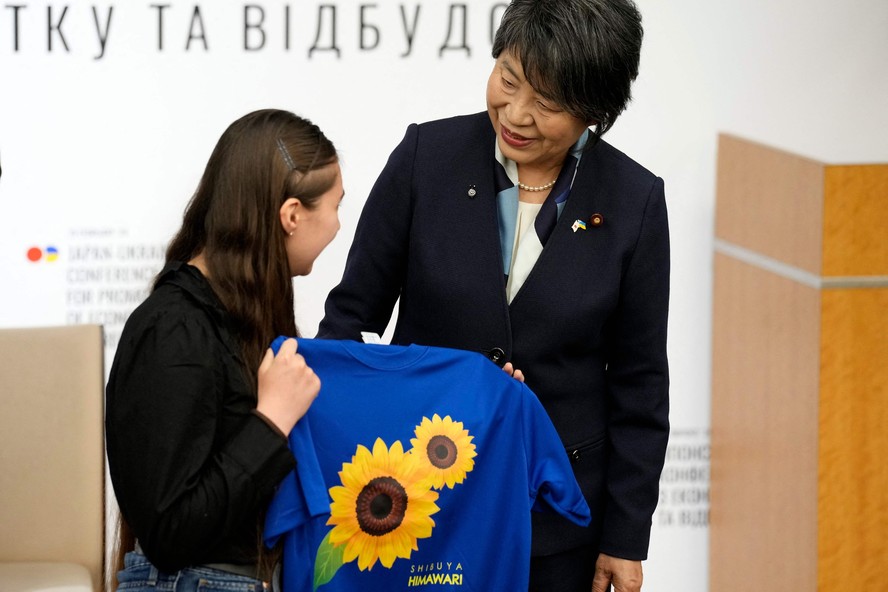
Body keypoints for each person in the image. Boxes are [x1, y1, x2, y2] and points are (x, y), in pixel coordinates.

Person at [317, 0, 669, 590]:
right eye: (508, 79)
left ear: (595, 112)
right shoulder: (426, 158)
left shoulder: (634, 201)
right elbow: (349, 320)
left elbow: (639, 383)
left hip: (556, 522)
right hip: (413, 502)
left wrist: (625, 538)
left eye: (549, 103)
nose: (517, 113)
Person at [105, 108, 344, 591]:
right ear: (293, 215)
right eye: (337, 206)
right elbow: (170, 530)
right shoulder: (174, 329)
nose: (338, 226)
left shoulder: (238, 321)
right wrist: (271, 420)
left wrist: (483, 398)